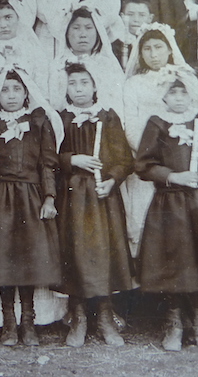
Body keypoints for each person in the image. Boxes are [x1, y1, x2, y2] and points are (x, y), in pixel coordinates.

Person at [135, 71, 198, 352]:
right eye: (173, 93)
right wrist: (173, 175)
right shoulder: (157, 124)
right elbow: (144, 165)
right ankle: (174, 323)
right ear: (164, 97)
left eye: (184, 93)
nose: (179, 99)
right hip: (170, 201)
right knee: (174, 261)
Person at [0, 67, 63, 346]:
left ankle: (28, 320)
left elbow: (48, 163)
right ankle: (8, 322)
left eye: (16, 89)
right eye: (4, 90)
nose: (11, 96)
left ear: (26, 92)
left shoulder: (38, 121)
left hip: (29, 196)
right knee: (4, 256)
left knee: (27, 258)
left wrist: (49, 197)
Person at [56, 63, 134, 348]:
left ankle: (104, 315)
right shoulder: (61, 118)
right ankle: (78, 317)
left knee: (104, 252)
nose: (79, 89)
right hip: (73, 195)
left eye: (84, 83)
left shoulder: (107, 117)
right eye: (73, 84)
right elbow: (49, 156)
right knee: (75, 251)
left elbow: (124, 159)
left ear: (94, 86)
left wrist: (112, 180)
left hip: (103, 197)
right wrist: (71, 160)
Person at [121, 23, 191, 255]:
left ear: (169, 49)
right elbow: (129, 123)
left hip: (180, 159)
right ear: (140, 54)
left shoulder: (182, 79)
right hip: (146, 158)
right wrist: (151, 154)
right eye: (147, 49)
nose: (153, 54)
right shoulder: (133, 84)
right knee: (143, 215)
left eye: (159, 47)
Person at [48, 5, 123, 113]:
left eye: (88, 28)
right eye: (76, 28)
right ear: (67, 33)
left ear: (97, 32)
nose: (83, 34)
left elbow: (115, 105)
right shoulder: (58, 66)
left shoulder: (107, 65)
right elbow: (55, 104)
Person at [111, 0, 153, 71]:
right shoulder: (115, 45)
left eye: (142, 15)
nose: (136, 19)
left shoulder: (154, 42)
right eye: (130, 14)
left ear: (150, 18)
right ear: (122, 16)